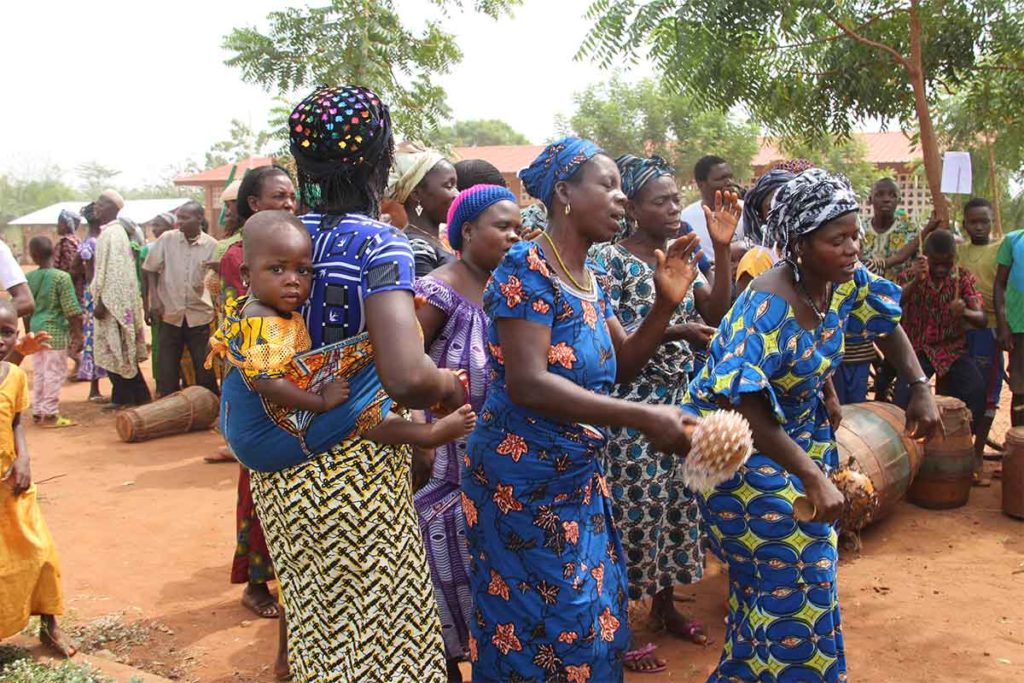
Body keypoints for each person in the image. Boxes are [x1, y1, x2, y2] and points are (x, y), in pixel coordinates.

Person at [681, 168, 940, 682]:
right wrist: (814, 476)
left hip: (795, 440)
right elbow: (748, 409)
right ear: (799, 244)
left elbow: (885, 323)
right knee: (791, 574)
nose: (852, 248)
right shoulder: (768, 305)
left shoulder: (842, 281)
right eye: (837, 239)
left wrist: (918, 386)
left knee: (798, 576)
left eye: (855, 234)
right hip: (737, 453)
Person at [247, 84, 467, 682]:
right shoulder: (377, 242)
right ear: (379, 158)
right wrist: (446, 382)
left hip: (283, 468)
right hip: (357, 467)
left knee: (321, 632)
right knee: (388, 644)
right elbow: (407, 377)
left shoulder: (272, 240)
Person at [463, 137, 700, 682]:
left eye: (622, 188)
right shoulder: (527, 267)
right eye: (609, 185)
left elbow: (620, 366)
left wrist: (665, 303)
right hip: (520, 486)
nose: (621, 199)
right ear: (565, 194)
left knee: (593, 621)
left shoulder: (589, 278)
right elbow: (528, 383)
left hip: (578, 479)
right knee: (540, 629)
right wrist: (643, 417)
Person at [594, 154, 737, 673]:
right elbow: (616, 350)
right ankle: (620, 623)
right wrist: (675, 330)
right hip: (633, 404)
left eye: (677, 198)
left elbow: (716, 311)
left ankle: (666, 607)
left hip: (681, 398)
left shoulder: (683, 251)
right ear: (631, 206)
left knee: (678, 508)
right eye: (661, 201)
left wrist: (720, 251)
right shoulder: (605, 262)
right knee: (634, 514)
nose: (675, 208)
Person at [213, 210, 476, 469]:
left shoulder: (270, 308)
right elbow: (268, 384)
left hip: (268, 423)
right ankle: (427, 435)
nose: (292, 281)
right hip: (262, 438)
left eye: (303, 271)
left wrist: (399, 311)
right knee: (358, 404)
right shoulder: (261, 318)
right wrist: (321, 402)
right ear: (246, 274)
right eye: (277, 269)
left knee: (368, 370)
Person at [412, 184, 521, 682]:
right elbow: (402, 372)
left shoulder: (510, 289)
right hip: (447, 474)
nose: (513, 236)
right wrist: (420, 441)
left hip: (503, 472)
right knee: (445, 591)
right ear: (468, 231)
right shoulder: (438, 292)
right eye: (503, 227)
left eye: (518, 227)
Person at [0, 299, 76, 658]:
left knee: (40, 553)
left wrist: (25, 458)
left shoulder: (14, 376)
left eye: (7, 332)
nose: (1, 339)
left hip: (11, 483)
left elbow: (16, 421)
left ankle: (50, 624)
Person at [894, 230, 987, 463]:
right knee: (903, 398)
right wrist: (917, 281)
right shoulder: (910, 275)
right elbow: (893, 304)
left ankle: (956, 447)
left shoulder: (962, 278)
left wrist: (964, 310)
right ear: (926, 257)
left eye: (948, 262)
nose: (943, 268)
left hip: (951, 349)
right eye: (937, 262)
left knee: (975, 392)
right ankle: (906, 453)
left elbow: (982, 318)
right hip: (917, 349)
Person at [857, 178, 940, 402]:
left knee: (895, 352)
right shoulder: (859, 229)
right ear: (870, 199)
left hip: (901, 303)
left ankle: (887, 388)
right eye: (880, 194)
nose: (886, 199)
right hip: (863, 304)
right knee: (865, 350)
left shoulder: (909, 230)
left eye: (892, 195)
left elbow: (915, 263)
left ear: (898, 200)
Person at [143, 200, 218, 397]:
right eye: (179, 218)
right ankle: (167, 403)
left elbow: (216, 280)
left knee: (204, 366)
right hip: (170, 312)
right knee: (167, 365)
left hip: (199, 314)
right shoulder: (167, 239)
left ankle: (209, 403)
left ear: (199, 219)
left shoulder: (212, 245)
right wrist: (154, 300)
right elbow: (149, 270)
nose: (179, 222)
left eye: (185, 218)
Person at [958, 198, 1005, 464]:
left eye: (984, 221)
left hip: (989, 330)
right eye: (973, 222)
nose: (979, 227)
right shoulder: (959, 252)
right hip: (961, 330)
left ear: (991, 222)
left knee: (988, 391)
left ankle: (977, 453)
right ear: (965, 224)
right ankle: (958, 447)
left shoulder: (1001, 250)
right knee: (961, 390)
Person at [92, 212, 151, 410]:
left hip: (113, 304)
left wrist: (102, 302)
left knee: (118, 350)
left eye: (101, 205)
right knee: (124, 352)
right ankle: (138, 395)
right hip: (118, 302)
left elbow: (113, 273)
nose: (98, 208)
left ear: (111, 207)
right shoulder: (114, 232)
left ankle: (124, 397)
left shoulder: (113, 233)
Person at [23, 237, 83, 428]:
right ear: (53, 252)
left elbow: (25, 309)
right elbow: (72, 310)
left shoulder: (29, 278)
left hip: (35, 329)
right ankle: (50, 414)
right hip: (55, 331)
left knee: (40, 372)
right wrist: (78, 335)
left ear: (33, 256)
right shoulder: (61, 277)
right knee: (55, 373)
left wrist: (28, 334)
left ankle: (38, 410)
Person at [388, 141, 459, 276]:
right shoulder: (417, 248)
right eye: (449, 186)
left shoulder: (434, 241)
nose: (457, 194)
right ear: (416, 194)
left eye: (456, 186)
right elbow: (425, 297)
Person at [73, 203, 107, 400]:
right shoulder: (95, 241)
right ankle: (95, 389)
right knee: (96, 337)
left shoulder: (89, 240)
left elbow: (74, 268)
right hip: (96, 295)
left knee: (95, 337)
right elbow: (75, 267)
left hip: (92, 293)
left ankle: (97, 388)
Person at [680, 155, 743, 261]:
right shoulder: (685, 217)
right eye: (721, 179)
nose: (729, 182)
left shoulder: (746, 210)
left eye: (730, 177)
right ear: (701, 184)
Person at [996, 223, 1024, 428]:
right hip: (1019, 327)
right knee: (1020, 387)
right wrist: (1003, 325)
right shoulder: (1013, 240)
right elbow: (1000, 284)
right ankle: (1019, 444)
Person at [53, 210, 83, 301]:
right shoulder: (77, 240)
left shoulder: (67, 242)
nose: (57, 226)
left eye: (60, 223)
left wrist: (63, 289)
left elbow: (73, 268)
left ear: (67, 225)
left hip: (69, 289)